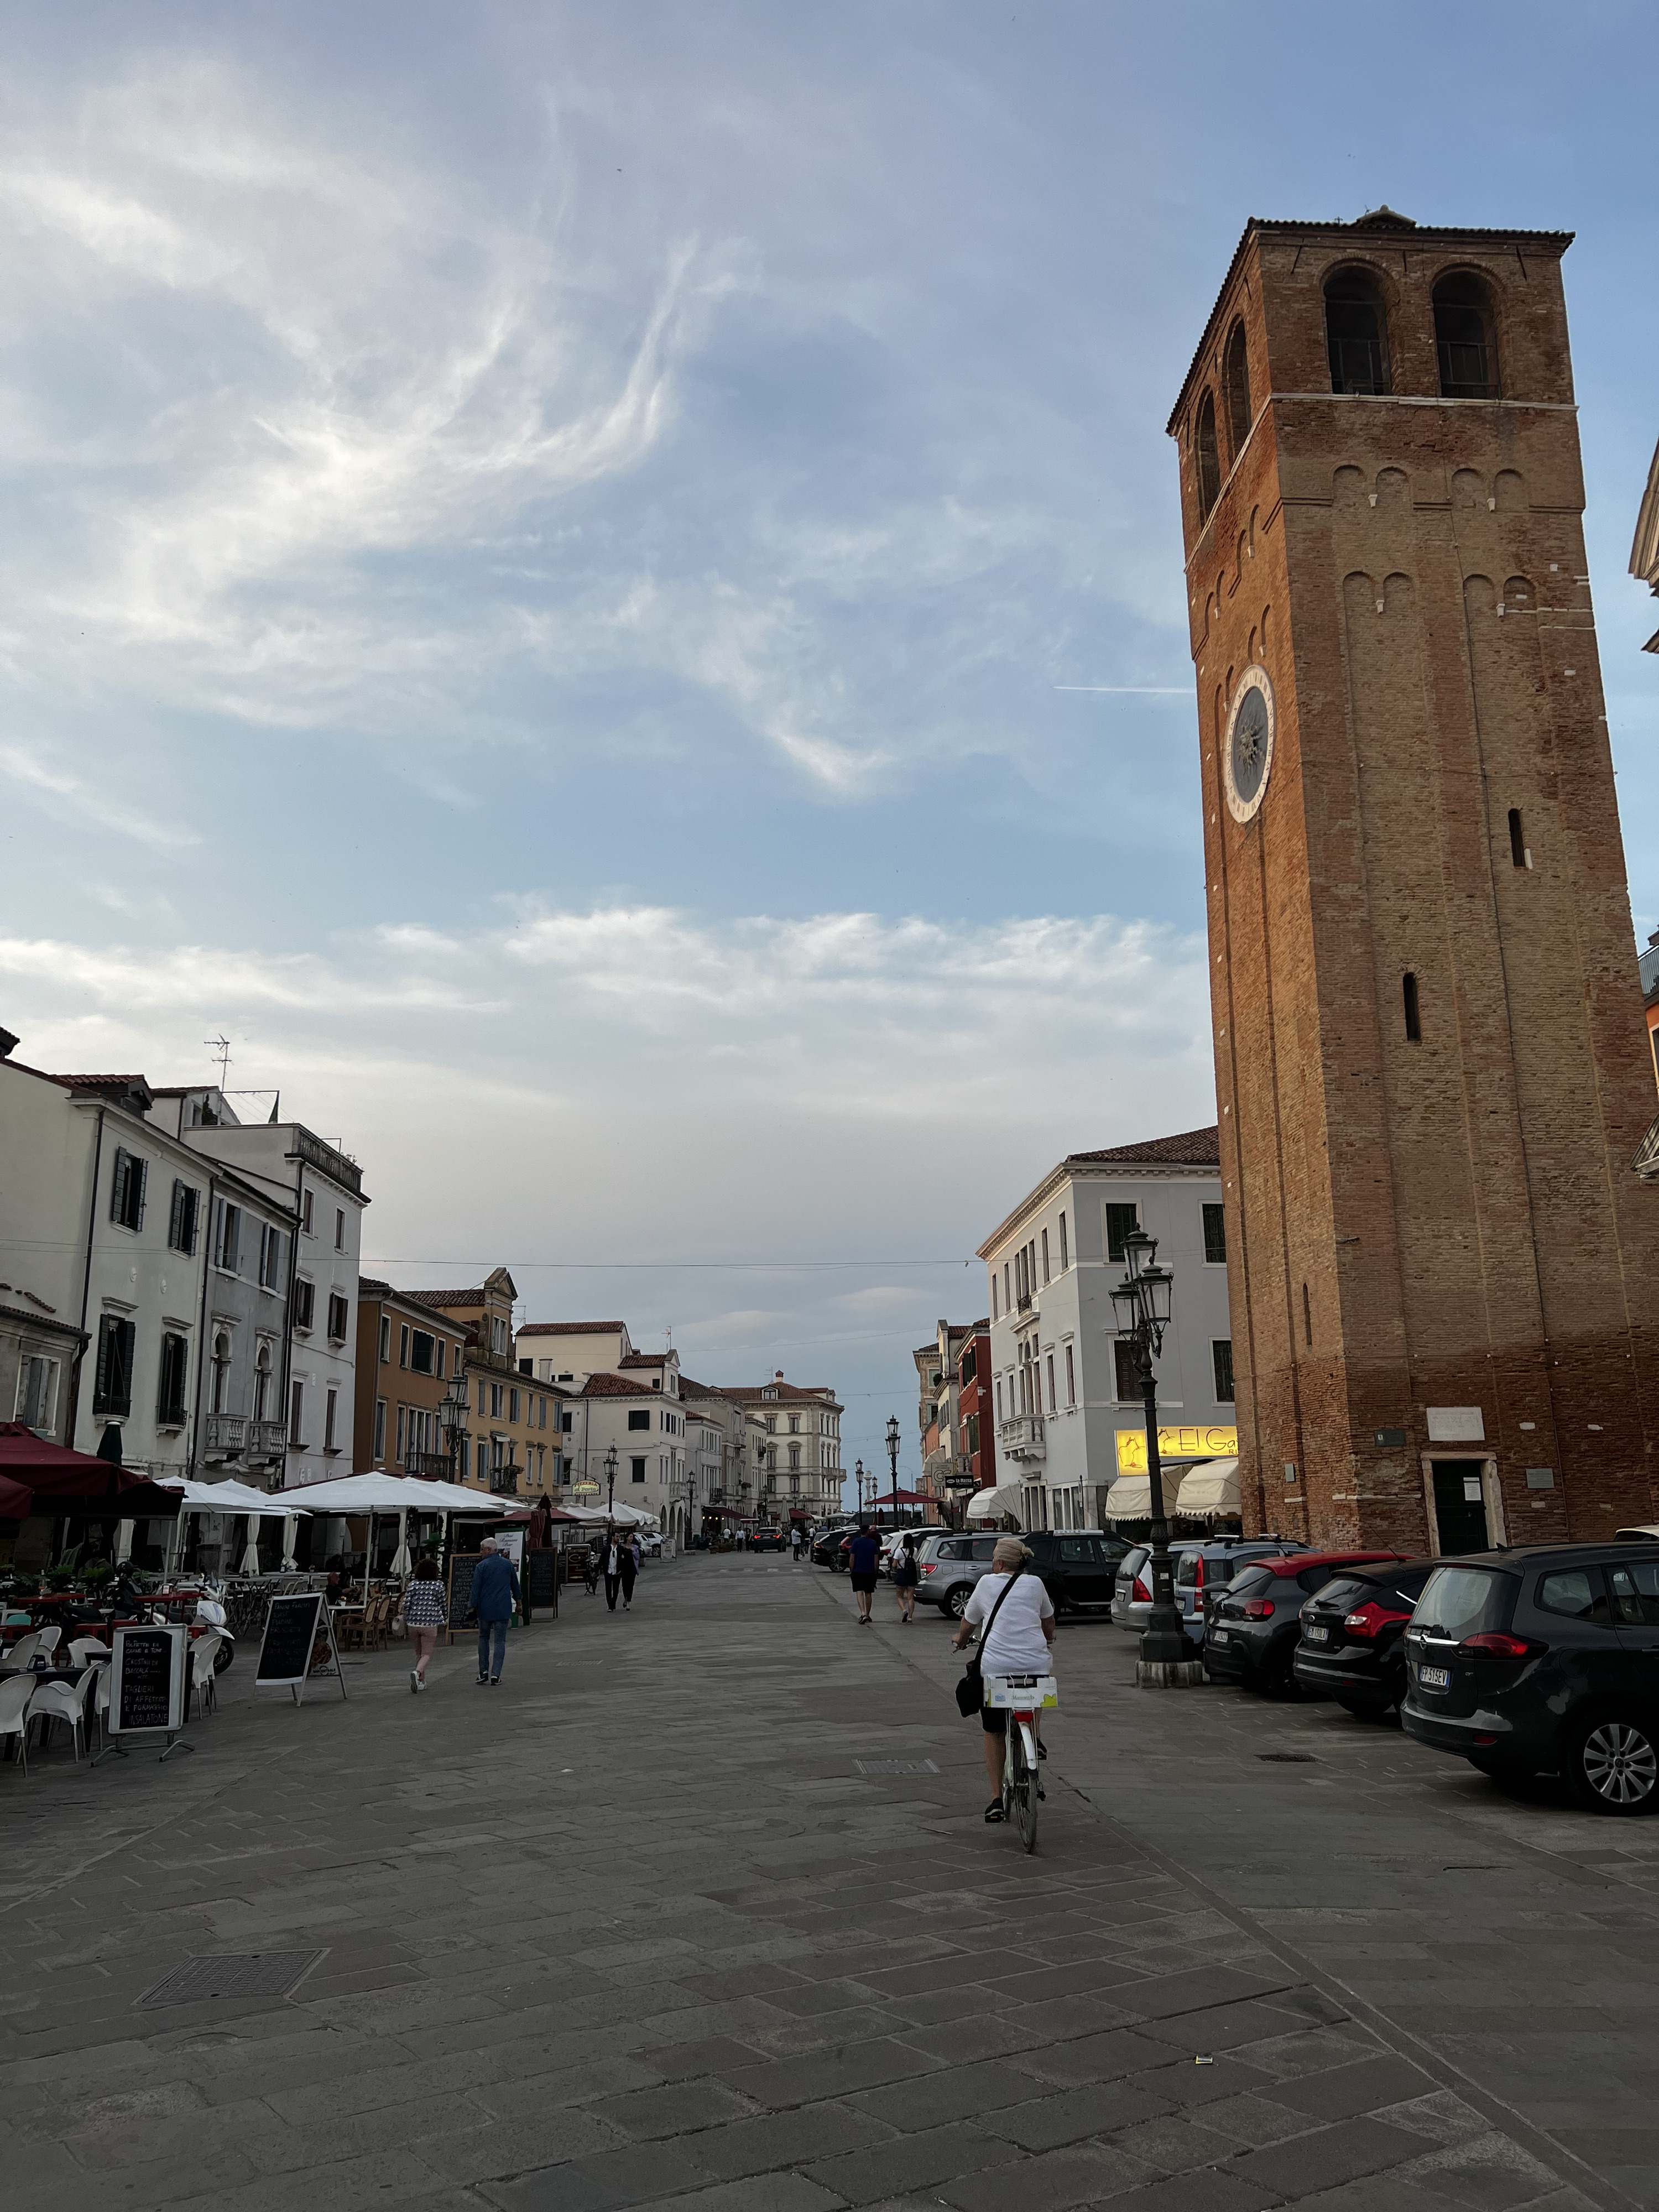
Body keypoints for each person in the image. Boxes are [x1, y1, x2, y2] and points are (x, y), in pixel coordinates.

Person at [952, 1535, 1055, 1823]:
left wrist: (960, 1641)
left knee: (994, 1731)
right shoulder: (1035, 1584)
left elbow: (968, 1623)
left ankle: (996, 1799)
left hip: (996, 1669)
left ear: (998, 1563)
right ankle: (1033, 1737)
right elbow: (1048, 1620)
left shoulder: (986, 1583)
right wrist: (1048, 1638)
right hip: (1035, 1664)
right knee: (1035, 1685)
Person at [468, 1536, 520, 1684]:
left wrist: (471, 1609)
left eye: (482, 1549)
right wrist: (519, 1602)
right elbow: (515, 1586)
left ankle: (483, 1671)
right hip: (503, 1608)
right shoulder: (508, 1565)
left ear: (489, 1550)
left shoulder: (481, 1567)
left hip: (485, 1610)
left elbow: (475, 1590)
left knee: (483, 1638)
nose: (480, 1553)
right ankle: (495, 1675)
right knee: (500, 1641)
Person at [399, 1554, 447, 1692]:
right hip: (430, 1623)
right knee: (426, 1654)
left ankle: (421, 1682)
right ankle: (417, 1673)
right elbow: (443, 1604)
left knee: (418, 1653)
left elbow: (407, 1604)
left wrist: (407, 1618)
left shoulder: (413, 1585)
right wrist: (445, 1617)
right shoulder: (438, 1585)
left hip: (413, 1623)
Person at [846, 1522, 881, 1624]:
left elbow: (852, 1558)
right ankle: (868, 1614)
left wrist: (851, 1569)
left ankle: (863, 1613)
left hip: (857, 1571)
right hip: (870, 1572)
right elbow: (876, 1559)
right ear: (868, 1532)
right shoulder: (873, 1543)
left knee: (859, 1592)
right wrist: (875, 1571)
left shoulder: (856, 1542)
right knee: (868, 1593)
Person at [891, 1531, 920, 1622]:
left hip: (902, 1574)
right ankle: (910, 1617)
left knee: (899, 1596)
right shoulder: (915, 1550)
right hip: (912, 1574)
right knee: (910, 1597)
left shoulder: (899, 1551)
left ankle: (904, 1610)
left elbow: (894, 1565)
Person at [603, 1530, 623, 1611]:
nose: (618, 1538)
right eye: (617, 1537)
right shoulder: (606, 1549)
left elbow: (624, 1560)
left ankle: (613, 1603)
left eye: (619, 1537)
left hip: (617, 1572)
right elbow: (602, 1560)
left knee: (616, 1590)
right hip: (608, 1571)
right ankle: (610, 1606)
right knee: (608, 1589)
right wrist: (596, 1571)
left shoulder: (621, 1549)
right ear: (613, 1537)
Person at [619, 1534, 639, 1611]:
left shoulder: (635, 1547)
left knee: (631, 1586)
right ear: (627, 1538)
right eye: (630, 1537)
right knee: (625, 1586)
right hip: (624, 1569)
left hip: (632, 1569)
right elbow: (619, 1556)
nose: (632, 1538)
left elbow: (638, 1558)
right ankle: (626, 1598)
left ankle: (628, 1602)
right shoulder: (622, 1547)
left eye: (632, 1537)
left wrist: (634, 1552)